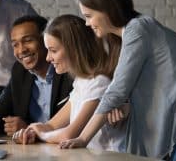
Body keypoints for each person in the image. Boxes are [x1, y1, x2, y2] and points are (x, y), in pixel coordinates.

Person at [59, 0, 176, 161]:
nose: (87, 23)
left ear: (107, 10)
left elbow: (116, 91)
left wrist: (83, 138)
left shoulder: (138, 29)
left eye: (88, 16)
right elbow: (156, 89)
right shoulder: (137, 31)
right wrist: (125, 108)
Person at [12, 15, 127, 152]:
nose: (48, 58)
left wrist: (41, 134)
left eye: (53, 51)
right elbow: (51, 126)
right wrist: (30, 131)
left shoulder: (99, 83)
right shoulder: (81, 82)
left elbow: (70, 134)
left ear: (74, 49)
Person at [0, 15, 73, 138]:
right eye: (15, 44)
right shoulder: (20, 71)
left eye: (28, 40)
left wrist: (29, 129)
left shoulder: (68, 72)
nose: (21, 50)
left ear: (46, 40)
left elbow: (73, 124)